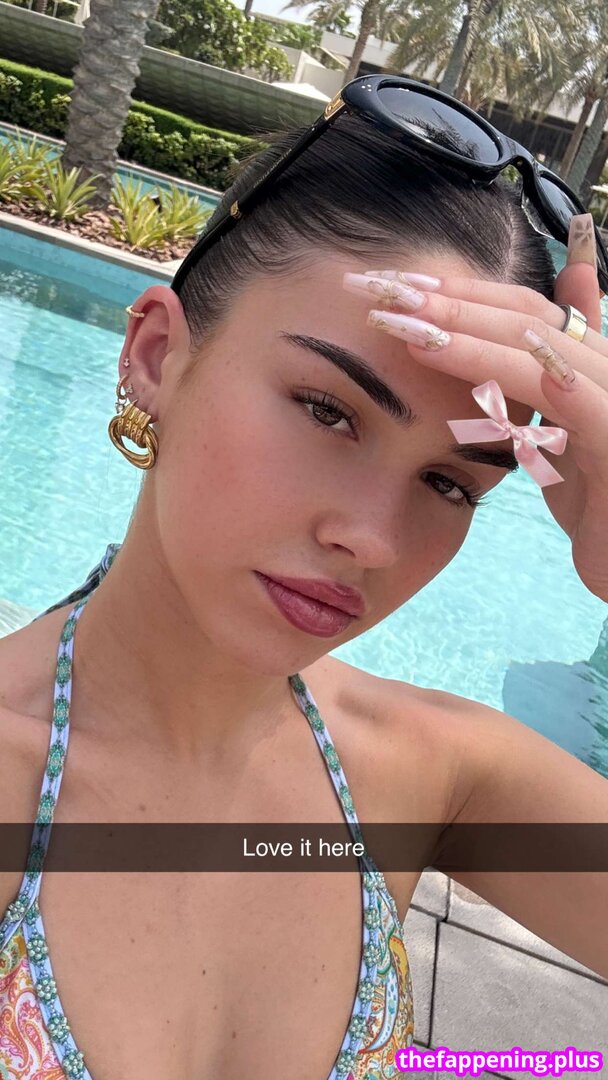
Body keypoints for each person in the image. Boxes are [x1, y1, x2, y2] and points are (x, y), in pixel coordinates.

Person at [1, 75, 607, 1080]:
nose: (373, 538)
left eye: (450, 484)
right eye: (328, 411)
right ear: (155, 353)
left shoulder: (431, 776)